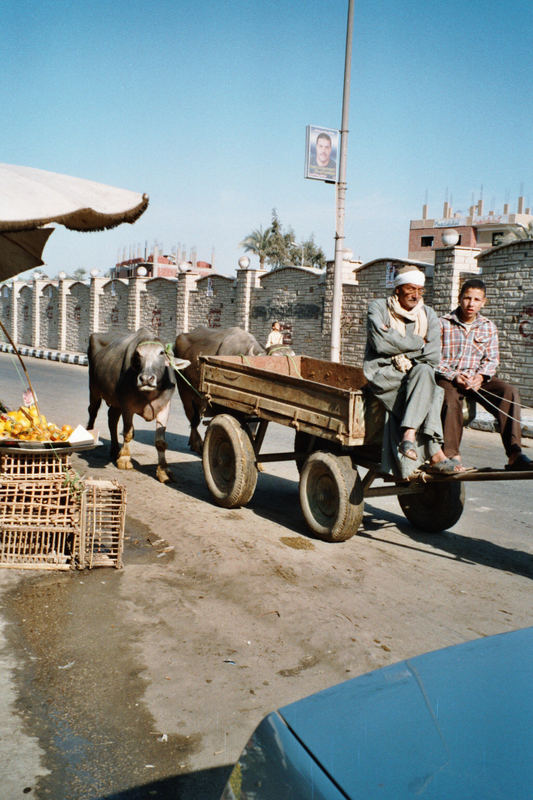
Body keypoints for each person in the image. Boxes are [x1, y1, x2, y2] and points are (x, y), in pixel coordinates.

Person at [363, 265, 460, 478]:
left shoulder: (428, 314)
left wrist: (397, 342)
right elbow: (380, 344)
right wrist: (419, 342)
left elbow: (433, 355)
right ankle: (435, 453)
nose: (416, 295)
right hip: (384, 373)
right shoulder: (379, 308)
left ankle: (409, 433)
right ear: (398, 289)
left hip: (416, 375)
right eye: (410, 289)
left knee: (425, 371)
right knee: (432, 393)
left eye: (420, 290)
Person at [437, 278, 532, 471]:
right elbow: (434, 359)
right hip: (450, 379)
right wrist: (455, 376)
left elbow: (492, 359)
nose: (471, 304)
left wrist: (480, 377)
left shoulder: (488, 326)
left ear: (483, 302)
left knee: (509, 392)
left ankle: (515, 453)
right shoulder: (442, 323)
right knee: (449, 398)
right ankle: (451, 455)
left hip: (476, 380)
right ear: (459, 298)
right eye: (467, 298)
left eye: (476, 299)